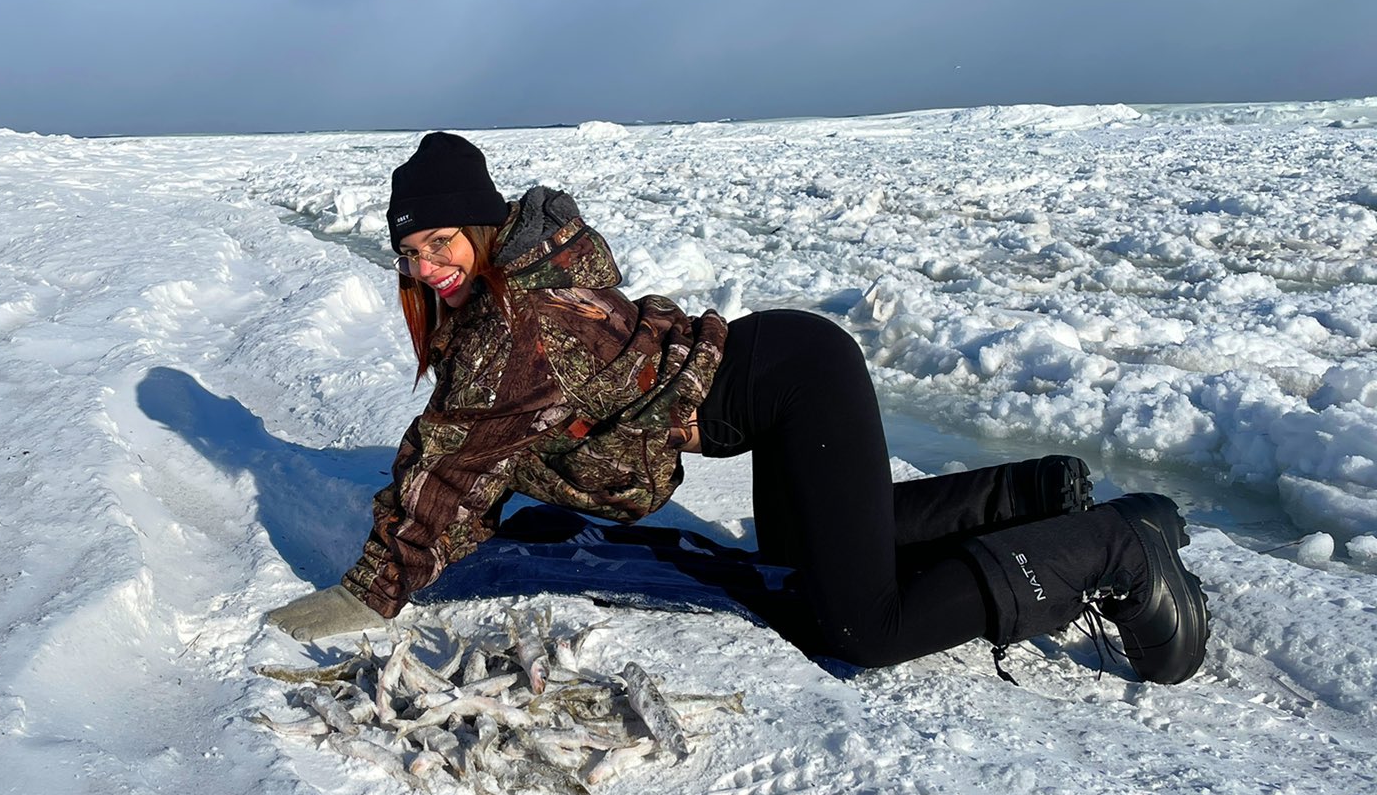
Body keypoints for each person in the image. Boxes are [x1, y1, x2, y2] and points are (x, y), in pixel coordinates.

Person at [267, 132, 1210, 684]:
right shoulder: (512, 285)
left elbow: (453, 458)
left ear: (477, 226)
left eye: (439, 240)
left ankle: (1116, 551)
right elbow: (478, 442)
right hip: (774, 379)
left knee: (858, 627)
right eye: (408, 252)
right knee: (809, 560)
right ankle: (1046, 498)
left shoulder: (520, 322)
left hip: (793, 379)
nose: (425, 265)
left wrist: (370, 592)